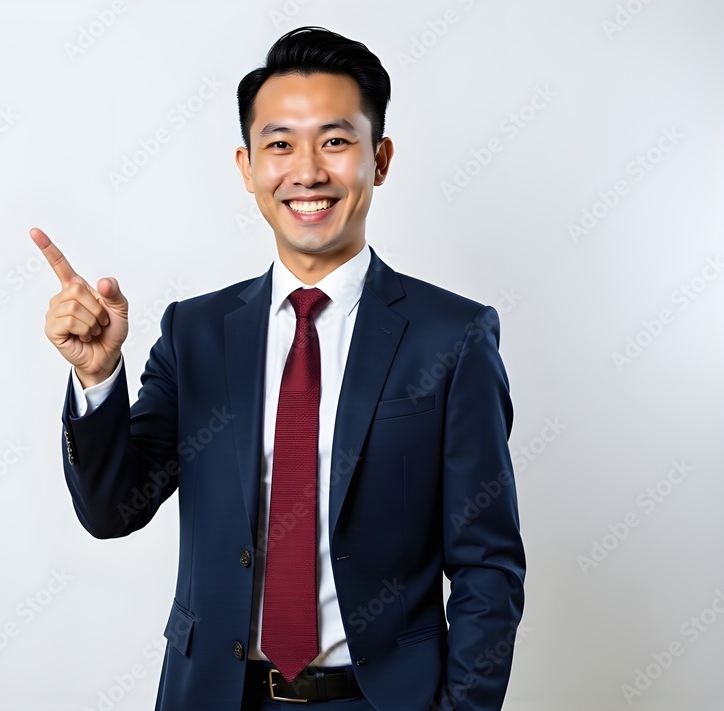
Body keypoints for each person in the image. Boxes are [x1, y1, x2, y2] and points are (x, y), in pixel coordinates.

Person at [31, 26, 525, 711]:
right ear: (247, 167)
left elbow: (487, 566)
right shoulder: (196, 333)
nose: (309, 171)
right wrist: (96, 377)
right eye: (280, 144)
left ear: (379, 159)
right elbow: (113, 508)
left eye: (336, 140)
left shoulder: (453, 337)